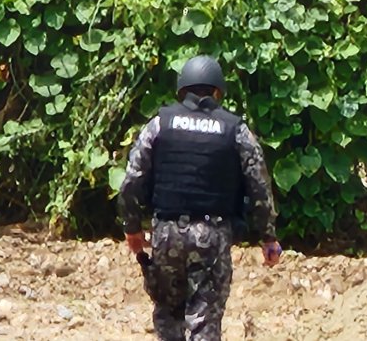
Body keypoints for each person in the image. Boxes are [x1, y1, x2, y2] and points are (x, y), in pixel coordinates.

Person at [118, 54, 282, 341]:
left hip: (166, 234)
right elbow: (259, 187)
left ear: (182, 91)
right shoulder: (235, 131)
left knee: (169, 315)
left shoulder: (159, 125)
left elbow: (131, 181)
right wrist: (267, 236)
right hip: (212, 236)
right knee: (204, 321)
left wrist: (132, 228)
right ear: (217, 92)